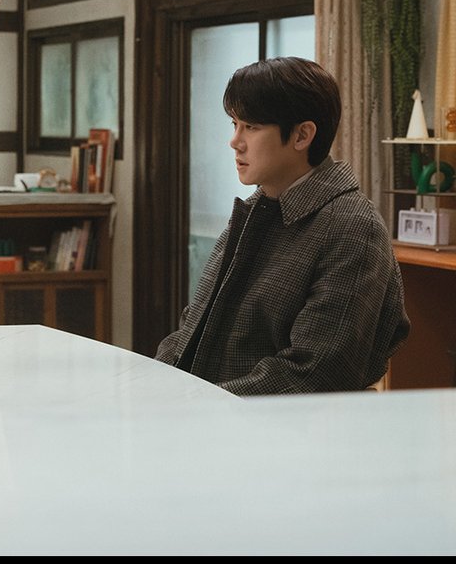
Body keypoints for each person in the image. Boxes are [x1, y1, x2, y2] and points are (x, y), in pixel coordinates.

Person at [156, 56, 409, 395]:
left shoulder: (352, 228)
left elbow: (315, 374)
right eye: (234, 124)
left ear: (302, 135)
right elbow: (192, 326)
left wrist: (197, 406)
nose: (235, 141)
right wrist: (154, 389)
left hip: (267, 425)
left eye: (251, 127)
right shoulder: (255, 210)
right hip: (202, 414)